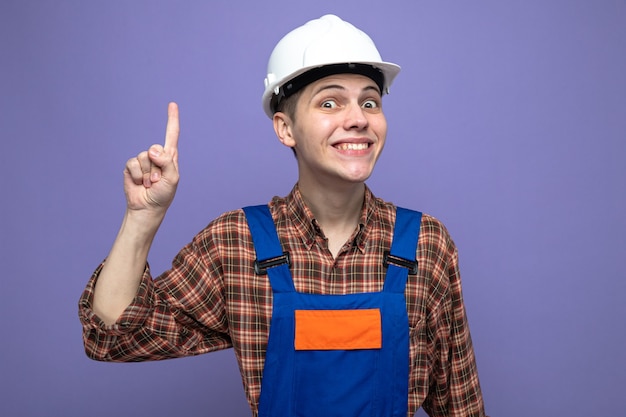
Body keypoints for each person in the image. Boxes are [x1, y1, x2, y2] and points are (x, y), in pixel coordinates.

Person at [79, 14, 487, 417]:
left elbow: (460, 406)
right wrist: (142, 217)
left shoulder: (425, 244)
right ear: (285, 128)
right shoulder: (238, 243)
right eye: (330, 102)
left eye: (370, 101)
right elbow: (113, 338)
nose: (358, 118)